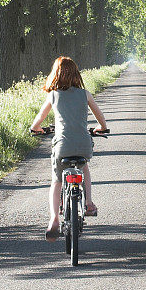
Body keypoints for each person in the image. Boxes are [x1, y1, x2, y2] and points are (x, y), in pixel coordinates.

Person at [31, 56, 108, 241]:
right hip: (83, 143)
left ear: (54, 75)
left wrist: (37, 130)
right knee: (85, 168)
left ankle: (54, 219)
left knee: (57, 180)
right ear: (76, 74)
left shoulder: (54, 95)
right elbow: (101, 120)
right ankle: (89, 203)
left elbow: (37, 123)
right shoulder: (85, 94)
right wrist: (101, 129)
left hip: (62, 146)